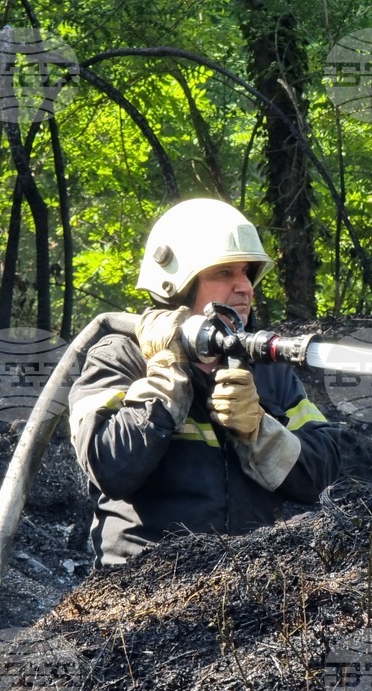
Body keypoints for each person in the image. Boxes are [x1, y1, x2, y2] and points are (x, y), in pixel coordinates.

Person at [68, 198, 342, 567]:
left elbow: (321, 476)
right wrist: (165, 377)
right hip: (139, 589)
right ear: (176, 286)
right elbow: (110, 468)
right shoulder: (121, 357)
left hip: (250, 583)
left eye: (246, 272)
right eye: (224, 273)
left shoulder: (266, 370)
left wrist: (260, 431)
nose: (246, 287)